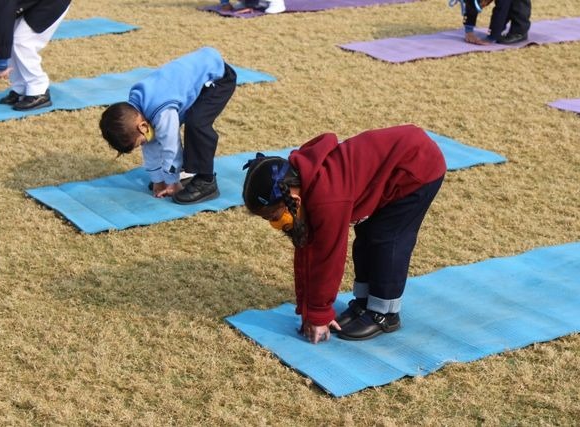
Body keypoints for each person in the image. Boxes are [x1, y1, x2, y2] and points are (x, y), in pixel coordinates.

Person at [242, 125, 446, 343]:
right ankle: (364, 303)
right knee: (366, 236)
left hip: (417, 167)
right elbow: (306, 249)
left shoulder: (327, 199)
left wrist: (319, 315)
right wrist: (308, 309)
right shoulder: (302, 181)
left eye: (274, 216)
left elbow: (327, 257)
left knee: (387, 239)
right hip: (392, 167)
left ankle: (385, 313)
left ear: (293, 199)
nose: (275, 223)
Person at [99, 47, 236, 204]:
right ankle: (183, 171)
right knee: (170, 129)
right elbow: (150, 145)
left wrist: (172, 182)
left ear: (143, 127)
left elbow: (171, 145)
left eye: (140, 142)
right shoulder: (137, 113)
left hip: (217, 79)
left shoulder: (162, 112)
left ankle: (206, 181)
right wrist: (158, 180)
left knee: (196, 123)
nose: (143, 144)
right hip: (196, 78)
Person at [0, 0, 71, 111]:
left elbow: (3, 28)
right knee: (14, 38)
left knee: (22, 42)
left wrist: (1, 65)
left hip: (52, 3)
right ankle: (21, 88)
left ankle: (39, 90)